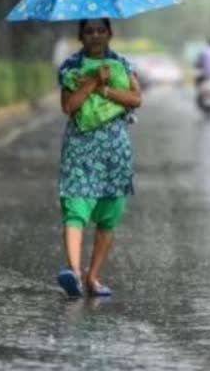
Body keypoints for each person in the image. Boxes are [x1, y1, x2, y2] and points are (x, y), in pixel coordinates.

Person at [55, 18, 142, 298]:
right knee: (75, 206)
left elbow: (135, 99)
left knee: (108, 214)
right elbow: (69, 106)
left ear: (109, 34)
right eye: (89, 31)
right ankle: (75, 273)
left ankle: (93, 277)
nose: (95, 36)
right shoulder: (70, 68)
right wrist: (91, 82)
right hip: (81, 147)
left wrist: (105, 88)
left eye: (100, 31)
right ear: (80, 36)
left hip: (114, 149)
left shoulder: (122, 64)